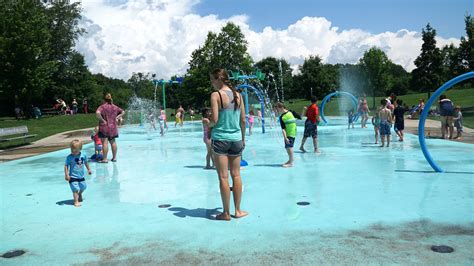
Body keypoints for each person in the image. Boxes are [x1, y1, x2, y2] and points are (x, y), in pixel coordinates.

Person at [209, 68, 247, 221]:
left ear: (219, 79)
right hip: (236, 138)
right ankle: (238, 211)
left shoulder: (216, 95)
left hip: (220, 139)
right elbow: (243, 120)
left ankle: (225, 213)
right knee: (236, 175)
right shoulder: (238, 95)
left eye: (212, 79)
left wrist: (206, 123)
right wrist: (243, 138)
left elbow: (215, 120)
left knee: (223, 177)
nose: (211, 83)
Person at [95, 93, 125, 163]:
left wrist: (102, 120)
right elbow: (123, 112)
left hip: (104, 127)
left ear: (104, 99)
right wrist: (117, 117)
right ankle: (114, 158)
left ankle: (105, 159)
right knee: (113, 142)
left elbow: (97, 113)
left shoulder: (102, 107)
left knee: (104, 143)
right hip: (113, 128)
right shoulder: (115, 107)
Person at [64, 139, 91, 207]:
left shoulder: (83, 155)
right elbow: (66, 166)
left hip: (81, 176)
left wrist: (89, 169)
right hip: (72, 177)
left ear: (80, 149)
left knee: (84, 187)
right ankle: (76, 201)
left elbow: (86, 162)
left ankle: (80, 194)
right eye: (72, 150)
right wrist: (66, 174)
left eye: (75, 151)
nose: (73, 152)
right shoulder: (69, 157)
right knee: (75, 189)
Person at [277, 102, 301, 167]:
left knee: (289, 147)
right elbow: (283, 128)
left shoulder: (290, 112)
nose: (277, 111)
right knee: (287, 147)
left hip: (291, 133)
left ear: (281, 108)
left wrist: (285, 137)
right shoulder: (282, 117)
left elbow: (299, 117)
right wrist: (285, 137)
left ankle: (291, 162)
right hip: (288, 133)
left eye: (277, 109)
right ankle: (290, 160)